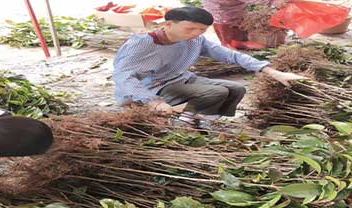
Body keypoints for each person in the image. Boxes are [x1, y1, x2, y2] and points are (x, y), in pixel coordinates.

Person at [113, 7, 305, 127]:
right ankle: (181, 123)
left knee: (236, 88)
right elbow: (124, 78)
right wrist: (152, 102)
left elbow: (230, 55)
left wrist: (272, 71)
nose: (196, 34)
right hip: (153, 87)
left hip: (180, 78)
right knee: (214, 94)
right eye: (190, 29)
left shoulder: (196, 40)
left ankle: (197, 119)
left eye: (202, 30)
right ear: (168, 24)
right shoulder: (141, 45)